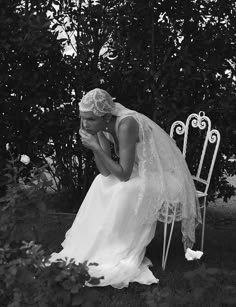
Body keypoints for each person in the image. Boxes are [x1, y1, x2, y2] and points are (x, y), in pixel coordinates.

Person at [49, 88, 201, 288]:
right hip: (140, 171)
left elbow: (123, 174)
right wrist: (96, 142)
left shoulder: (126, 123)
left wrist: (94, 147)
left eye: (90, 119)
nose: (85, 124)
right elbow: (105, 172)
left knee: (124, 189)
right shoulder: (102, 125)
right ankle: (97, 244)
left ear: (105, 116)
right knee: (100, 183)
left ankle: (117, 248)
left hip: (164, 176)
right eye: (82, 118)